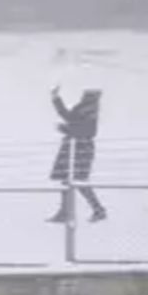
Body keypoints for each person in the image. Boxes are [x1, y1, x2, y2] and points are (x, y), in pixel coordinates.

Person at [48, 87, 106, 223]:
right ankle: (65, 212)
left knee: (78, 180)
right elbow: (68, 117)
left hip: (81, 149)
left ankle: (98, 210)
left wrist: (65, 129)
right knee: (66, 179)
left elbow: (86, 131)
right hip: (73, 147)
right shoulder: (83, 108)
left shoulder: (90, 111)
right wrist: (56, 99)